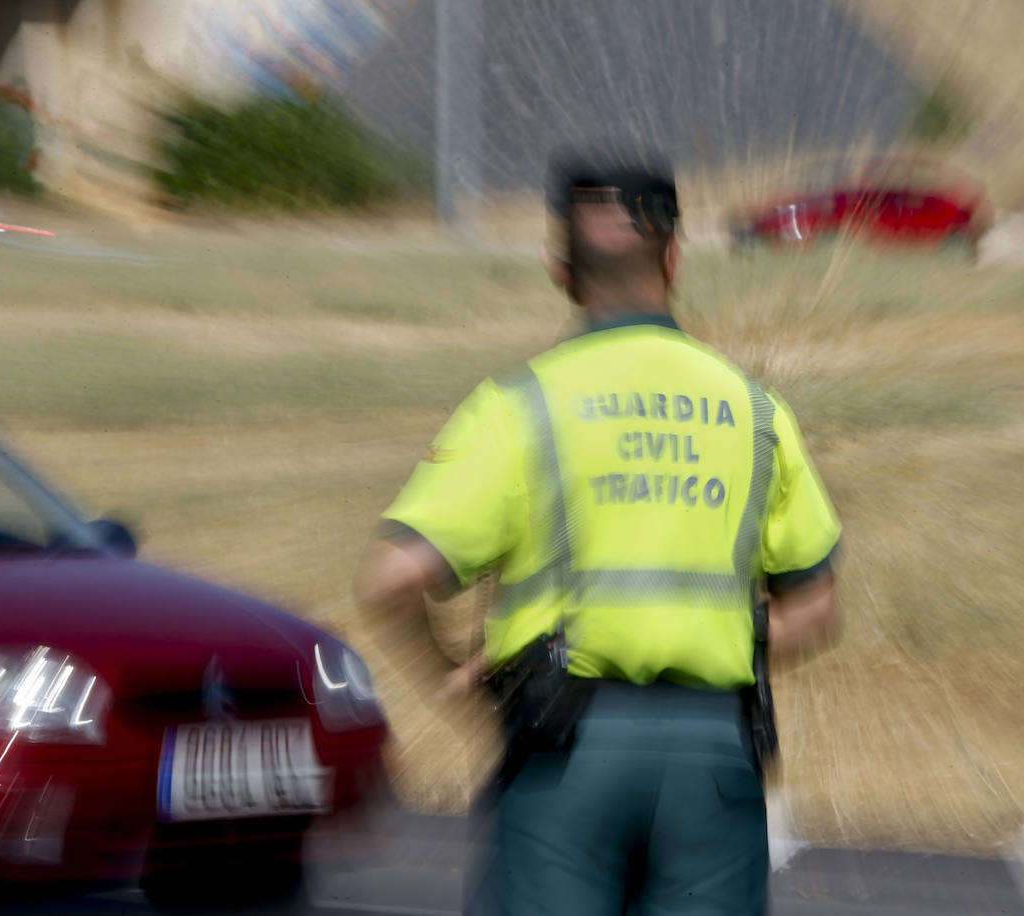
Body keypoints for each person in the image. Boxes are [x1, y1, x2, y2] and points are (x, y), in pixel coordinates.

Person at [354, 149, 842, 916]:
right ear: (676, 259)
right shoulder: (755, 413)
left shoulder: (521, 407)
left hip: (564, 752)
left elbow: (390, 578)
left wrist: (455, 673)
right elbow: (816, 609)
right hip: (714, 757)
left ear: (560, 270)